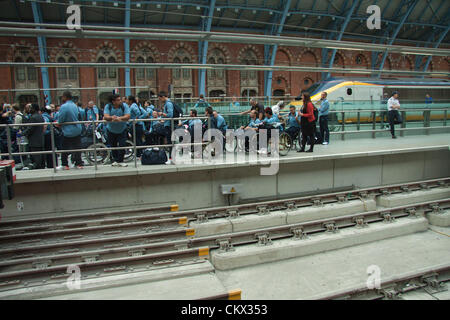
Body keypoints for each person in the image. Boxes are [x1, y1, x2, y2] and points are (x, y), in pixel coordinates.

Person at [57, 91, 83, 170]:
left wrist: (58, 124)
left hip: (68, 131)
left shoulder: (64, 106)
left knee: (64, 148)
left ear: (65, 97)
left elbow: (61, 119)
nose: (62, 98)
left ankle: (65, 164)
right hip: (77, 129)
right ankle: (78, 164)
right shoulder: (75, 105)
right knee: (77, 147)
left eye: (62, 97)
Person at [104, 94, 131, 167]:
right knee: (113, 145)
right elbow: (105, 116)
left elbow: (128, 116)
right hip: (111, 130)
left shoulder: (124, 105)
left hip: (122, 129)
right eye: (118, 100)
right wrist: (111, 117)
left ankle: (121, 160)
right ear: (113, 101)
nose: (120, 101)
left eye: (120, 99)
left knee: (122, 144)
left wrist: (120, 118)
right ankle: (115, 160)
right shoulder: (108, 106)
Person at [22, 104, 45, 169]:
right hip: (40, 139)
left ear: (34, 109)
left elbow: (30, 129)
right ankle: (41, 168)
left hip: (34, 141)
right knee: (41, 157)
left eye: (31, 108)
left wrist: (22, 133)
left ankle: (38, 169)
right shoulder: (40, 116)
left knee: (36, 157)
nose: (29, 109)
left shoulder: (33, 117)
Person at [158, 91, 174, 157]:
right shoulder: (167, 104)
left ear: (163, 97)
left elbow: (170, 115)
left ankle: (171, 157)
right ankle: (171, 157)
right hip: (167, 124)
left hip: (169, 125)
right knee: (169, 141)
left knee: (170, 142)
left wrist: (162, 114)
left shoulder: (168, 104)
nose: (160, 100)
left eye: (160, 98)